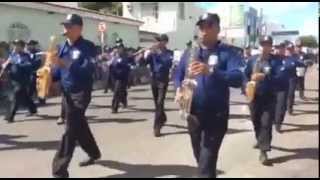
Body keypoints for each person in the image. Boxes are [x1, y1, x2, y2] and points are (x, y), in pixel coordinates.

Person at [175, 13, 243, 178]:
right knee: (201, 158)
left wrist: (211, 71)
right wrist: (178, 88)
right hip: (193, 113)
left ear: (218, 29)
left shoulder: (229, 52)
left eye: (209, 26)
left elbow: (237, 78)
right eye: (201, 26)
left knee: (206, 159)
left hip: (216, 115)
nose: (204, 30)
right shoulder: (190, 52)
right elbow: (178, 74)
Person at [51, 14, 101, 178]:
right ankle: (94, 153)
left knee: (70, 129)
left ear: (79, 28)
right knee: (79, 126)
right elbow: (58, 71)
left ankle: (59, 171)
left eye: (69, 26)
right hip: (66, 93)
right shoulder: (62, 47)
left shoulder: (88, 47)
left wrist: (65, 63)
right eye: (64, 26)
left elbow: (87, 71)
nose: (65, 29)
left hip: (81, 92)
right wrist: (50, 77)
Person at [245, 36, 284, 165]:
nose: (265, 47)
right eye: (263, 44)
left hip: (269, 96)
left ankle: (264, 151)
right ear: (259, 46)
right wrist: (246, 85)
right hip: (254, 97)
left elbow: (280, 78)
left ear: (271, 46)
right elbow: (244, 75)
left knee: (266, 123)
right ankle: (260, 139)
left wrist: (265, 77)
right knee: (256, 121)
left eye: (268, 44)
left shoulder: (276, 61)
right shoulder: (251, 60)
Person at [141, 34, 173, 137]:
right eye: (156, 41)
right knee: (157, 104)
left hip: (163, 80)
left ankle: (157, 127)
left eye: (159, 41)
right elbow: (143, 63)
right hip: (154, 80)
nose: (157, 43)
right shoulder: (153, 53)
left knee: (160, 102)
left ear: (165, 42)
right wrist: (143, 55)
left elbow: (167, 64)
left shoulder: (169, 53)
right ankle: (162, 117)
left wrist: (158, 53)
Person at [2, 39, 37, 123]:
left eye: (17, 45)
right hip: (13, 79)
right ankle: (33, 109)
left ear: (22, 47)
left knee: (16, 96)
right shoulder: (12, 55)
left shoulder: (26, 55)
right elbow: (6, 65)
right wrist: (6, 66)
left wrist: (17, 64)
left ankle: (10, 116)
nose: (15, 47)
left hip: (23, 80)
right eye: (14, 45)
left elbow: (28, 66)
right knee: (24, 96)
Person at [285, 42, 306, 115]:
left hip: (293, 78)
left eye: (291, 49)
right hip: (283, 79)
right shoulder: (282, 57)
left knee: (290, 94)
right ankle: (284, 107)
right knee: (283, 94)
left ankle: (289, 109)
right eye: (288, 49)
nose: (290, 51)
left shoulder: (296, 57)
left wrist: (305, 63)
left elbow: (302, 64)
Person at [109, 42, 130, 113]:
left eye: (120, 48)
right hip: (115, 76)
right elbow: (111, 64)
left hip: (122, 77)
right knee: (119, 91)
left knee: (117, 92)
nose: (118, 49)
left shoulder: (125, 56)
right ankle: (123, 101)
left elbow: (125, 65)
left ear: (122, 48)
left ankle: (114, 107)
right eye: (117, 48)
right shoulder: (114, 56)